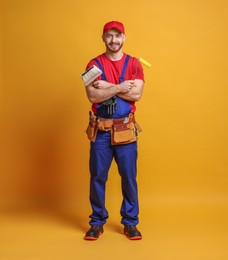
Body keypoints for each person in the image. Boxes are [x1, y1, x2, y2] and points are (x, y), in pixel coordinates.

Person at [83, 21, 144, 240]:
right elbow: (92, 96)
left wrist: (106, 86)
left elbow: (136, 95)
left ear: (124, 37)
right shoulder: (93, 64)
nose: (114, 40)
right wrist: (119, 87)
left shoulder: (135, 64)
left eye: (118, 36)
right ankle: (97, 222)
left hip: (126, 130)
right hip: (100, 130)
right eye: (109, 36)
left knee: (129, 178)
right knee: (97, 177)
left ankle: (130, 222)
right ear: (103, 38)